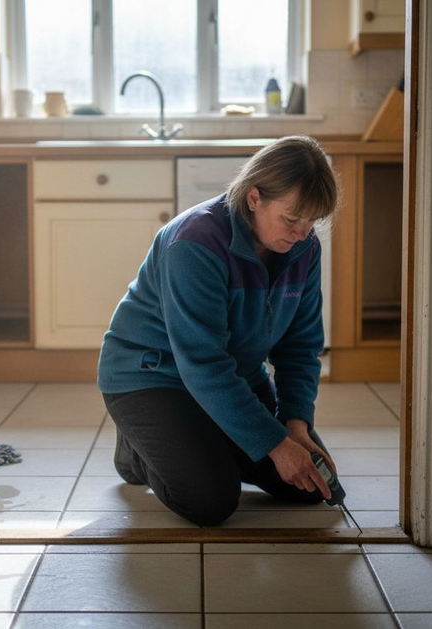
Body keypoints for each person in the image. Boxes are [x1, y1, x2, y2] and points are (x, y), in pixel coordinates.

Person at [97, 135, 341, 526]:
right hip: (151, 376)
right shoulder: (194, 243)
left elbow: (300, 347)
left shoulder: (304, 249)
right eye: (292, 218)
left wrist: (295, 424)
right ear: (254, 197)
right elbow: (203, 364)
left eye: (312, 221)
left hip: (231, 376)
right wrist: (274, 444)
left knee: (307, 485)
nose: (302, 232)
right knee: (210, 500)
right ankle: (137, 451)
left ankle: (199, 437)